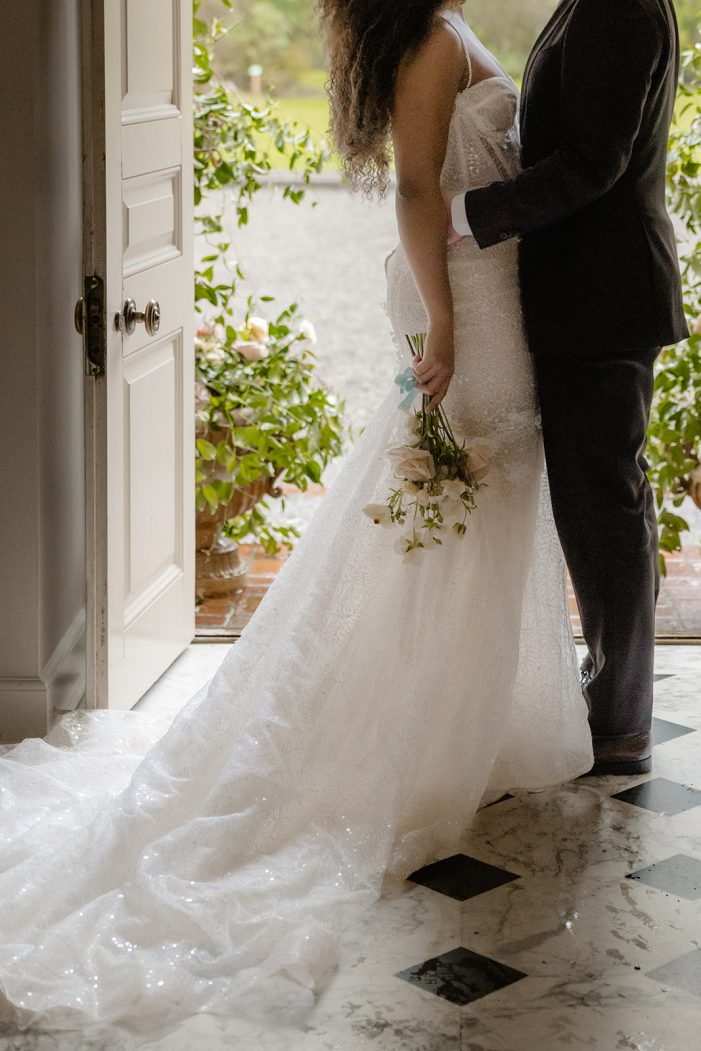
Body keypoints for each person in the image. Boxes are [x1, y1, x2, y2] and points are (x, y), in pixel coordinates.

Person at [0, 0, 607, 1033]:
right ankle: (398, 738)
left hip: (489, 289)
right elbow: (417, 188)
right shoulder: (424, 44)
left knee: (478, 502)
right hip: (462, 299)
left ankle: (464, 721)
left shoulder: (441, 28)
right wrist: (447, 325)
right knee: (452, 498)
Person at [447, 0, 688, 775]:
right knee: (610, 502)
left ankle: (617, 718)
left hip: (601, 297)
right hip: (596, 295)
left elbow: (592, 162)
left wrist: (469, 212)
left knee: (601, 512)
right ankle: (617, 696)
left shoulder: (616, 8)